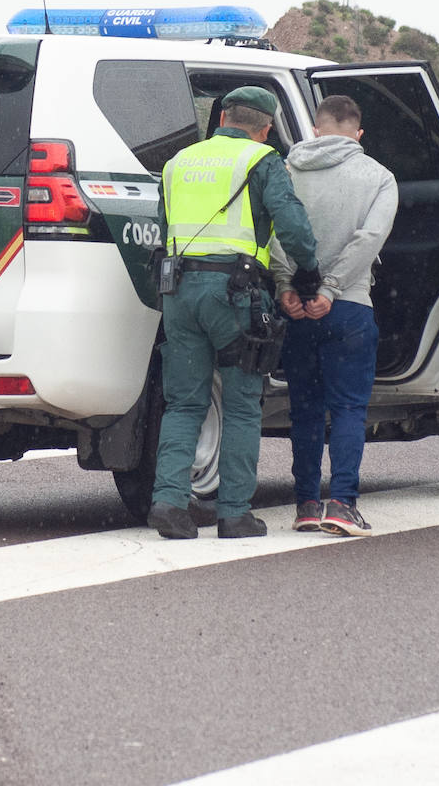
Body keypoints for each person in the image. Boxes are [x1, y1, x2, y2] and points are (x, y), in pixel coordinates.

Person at [151, 87, 321, 540]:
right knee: (243, 404)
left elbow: (164, 227)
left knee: (185, 403)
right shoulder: (261, 159)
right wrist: (308, 271)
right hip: (235, 293)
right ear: (265, 129)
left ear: (223, 117)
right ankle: (234, 513)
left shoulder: (177, 162)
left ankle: (169, 502)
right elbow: (293, 226)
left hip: (178, 291)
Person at [272, 95, 398, 537]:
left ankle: (306, 505)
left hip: (296, 308)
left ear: (315, 129)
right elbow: (369, 239)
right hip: (348, 308)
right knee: (347, 409)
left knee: (305, 410)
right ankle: (342, 504)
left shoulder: (286, 171)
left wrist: (286, 285)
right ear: (358, 134)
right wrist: (332, 288)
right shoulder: (379, 177)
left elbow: (274, 233)